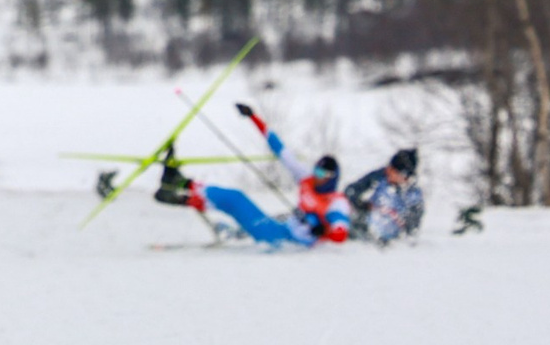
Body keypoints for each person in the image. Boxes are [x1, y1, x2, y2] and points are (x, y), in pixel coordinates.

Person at [155, 103, 349, 246]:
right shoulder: (306, 178)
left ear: (332, 177)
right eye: (316, 169)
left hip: (286, 243)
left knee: (236, 200)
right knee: (234, 198)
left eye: (322, 173)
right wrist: (253, 117)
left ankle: (182, 195)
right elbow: (280, 149)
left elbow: (340, 232)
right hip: (279, 230)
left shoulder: (336, 202)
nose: (317, 175)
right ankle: (181, 185)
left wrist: (324, 229)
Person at [344, 147, 425, 243]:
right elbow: (350, 191)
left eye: (393, 171)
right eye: (389, 169)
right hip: (368, 228)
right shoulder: (379, 177)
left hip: (393, 235)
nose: (388, 171)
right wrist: (361, 205)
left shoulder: (412, 193)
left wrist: (404, 225)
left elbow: (412, 224)